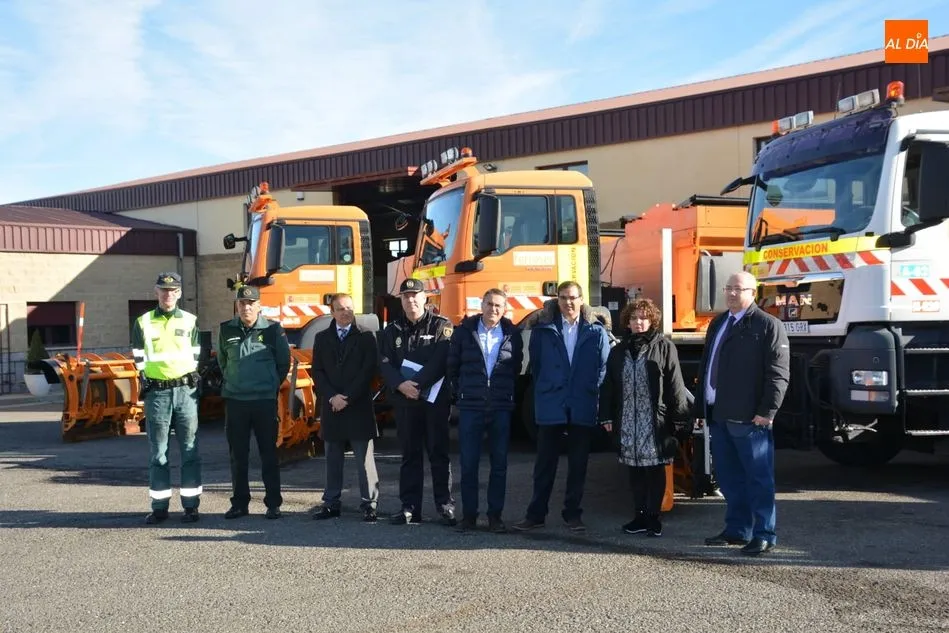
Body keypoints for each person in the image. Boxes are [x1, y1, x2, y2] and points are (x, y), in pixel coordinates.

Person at [693, 271, 790, 555]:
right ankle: (737, 529)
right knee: (729, 477)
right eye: (729, 288)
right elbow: (706, 366)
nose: (732, 294)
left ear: (753, 292)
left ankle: (764, 534)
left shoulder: (767, 325)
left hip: (750, 418)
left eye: (739, 289)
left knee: (758, 478)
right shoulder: (720, 322)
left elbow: (778, 374)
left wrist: (767, 411)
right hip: (719, 414)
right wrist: (700, 407)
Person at [513, 281, 611, 533]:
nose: (569, 302)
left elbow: (603, 368)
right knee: (544, 463)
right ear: (558, 300)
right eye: (564, 297)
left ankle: (572, 514)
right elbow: (536, 365)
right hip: (551, 402)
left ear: (581, 300)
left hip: (581, 402)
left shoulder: (595, 331)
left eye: (573, 298)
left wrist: (590, 389)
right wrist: (548, 386)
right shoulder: (543, 329)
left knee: (578, 464)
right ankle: (536, 515)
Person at [598, 297, 690, 537]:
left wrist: (679, 417)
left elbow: (675, 384)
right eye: (634, 318)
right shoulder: (618, 350)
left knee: (656, 468)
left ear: (652, 321)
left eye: (643, 318)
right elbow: (607, 385)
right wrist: (605, 415)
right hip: (627, 418)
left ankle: (653, 517)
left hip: (654, 420)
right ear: (627, 322)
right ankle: (638, 516)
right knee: (634, 469)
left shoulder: (664, 347)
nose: (638, 322)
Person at [379, 278, 456, 526]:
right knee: (410, 455)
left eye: (415, 295)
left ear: (425, 298)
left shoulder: (442, 326)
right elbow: (384, 363)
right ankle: (409, 507)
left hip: (434, 401)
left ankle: (444, 505)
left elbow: (441, 359)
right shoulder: (391, 331)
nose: (410, 300)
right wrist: (401, 385)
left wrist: (418, 384)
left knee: (438, 453)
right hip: (404, 401)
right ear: (400, 300)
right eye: (405, 296)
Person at [447, 289, 523, 533]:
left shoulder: (513, 334)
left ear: (505, 308)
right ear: (481, 304)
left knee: (499, 465)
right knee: (469, 464)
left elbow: (516, 367)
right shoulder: (464, 332)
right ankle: (469, 516)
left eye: (499, 305)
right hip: (471, 406)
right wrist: (460, 392)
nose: (494, 309)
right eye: (489, 303)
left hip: (500, 406)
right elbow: (453, 366)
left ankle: (494, 516)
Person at [131, 272, 203, 524]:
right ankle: (159, 506)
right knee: (158, 452)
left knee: (190, 450)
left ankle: (191, 506)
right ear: (155, 292)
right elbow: (138, 356)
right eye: (163, 290)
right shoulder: (143, 321)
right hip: (158, 393)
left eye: (172, 291)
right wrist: (149, 378)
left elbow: (196, 355)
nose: (168, 295)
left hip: (185, 392)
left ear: (180, 293)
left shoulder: (191, 320)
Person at [217, 284, 290, 520]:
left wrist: (268, 385)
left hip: (263, 401)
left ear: (259, 306)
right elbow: (222, 361)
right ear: (237, 306)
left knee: (268, 453)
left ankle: (273, 503)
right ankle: (239, 503)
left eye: (250, 303)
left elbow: (283, 364)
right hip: (236, 401)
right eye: (241, 303)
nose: (246, 307)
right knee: (238, 455)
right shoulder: (226, 330)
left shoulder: (272, 330)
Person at [310, 293, 381, 522]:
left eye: (350, 308)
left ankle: (369, 504)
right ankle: (331, 503)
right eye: (340, 309)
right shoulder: (321, 338)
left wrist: (347, 397)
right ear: (332, 312)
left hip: (358, 406)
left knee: (364, 460)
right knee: (332, 458)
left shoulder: (366, 337)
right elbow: (317, 372)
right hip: (332, 407)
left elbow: (368, 371)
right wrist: (332, 397)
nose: (346, 312)